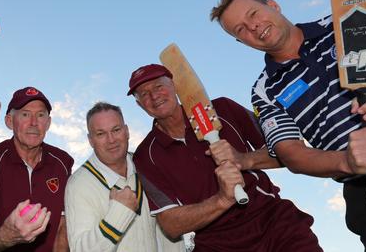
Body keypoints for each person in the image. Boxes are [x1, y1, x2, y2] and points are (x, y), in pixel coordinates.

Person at [210, 0, 366, 251]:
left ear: (273, 5)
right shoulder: (264, 90)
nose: (253, 27)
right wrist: (347, 161)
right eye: (240, 30)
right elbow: (292, 155)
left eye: (253, 13)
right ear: (242, 43)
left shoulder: (350, 21)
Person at [129, 63, 322, 251]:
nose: (154, 96)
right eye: (144, 94)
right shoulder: (146, 156)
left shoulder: (223, 109)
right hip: (215, 242)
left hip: (270, 221)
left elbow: (289, 152)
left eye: (159, 86)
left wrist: (244, 160)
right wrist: (222, 199)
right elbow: (171, 225)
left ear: (175, 86)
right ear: (139, 104)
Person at [65, 101, 183, 252]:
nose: (111, 140)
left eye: (116, 130)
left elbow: (170, 231)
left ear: (126, 131)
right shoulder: (78, 184)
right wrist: (119, 212)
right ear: (90, 140)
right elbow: (81, 249)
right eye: (101, 134)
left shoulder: (148, 166)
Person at [0, 86, 73, 251]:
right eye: (25, 114)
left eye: (40, 115)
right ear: (9, 121)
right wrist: (6, 235)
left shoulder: (63, 162)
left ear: (48, 123)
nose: (34, 123)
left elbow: (63, 228)